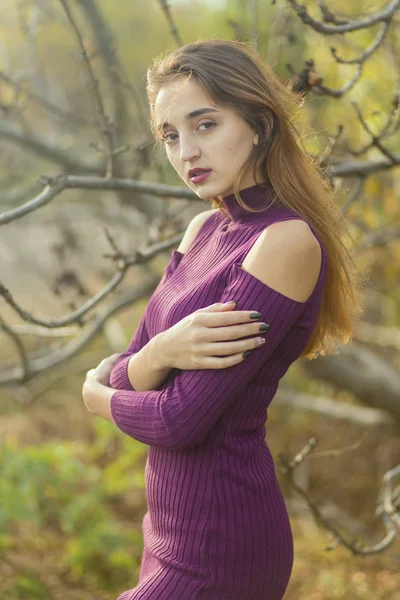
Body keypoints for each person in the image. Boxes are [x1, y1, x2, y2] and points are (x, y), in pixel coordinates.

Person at [82, 39, 364, 600]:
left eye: (205, 125)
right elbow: (135, 364)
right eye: (170, 135)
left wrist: (97, 398)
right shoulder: (202, 232)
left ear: (258, 125)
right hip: (166, 532)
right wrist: (161, 354)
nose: (186, 151)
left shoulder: (283, 242)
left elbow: (180, 421)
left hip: (222, 544)